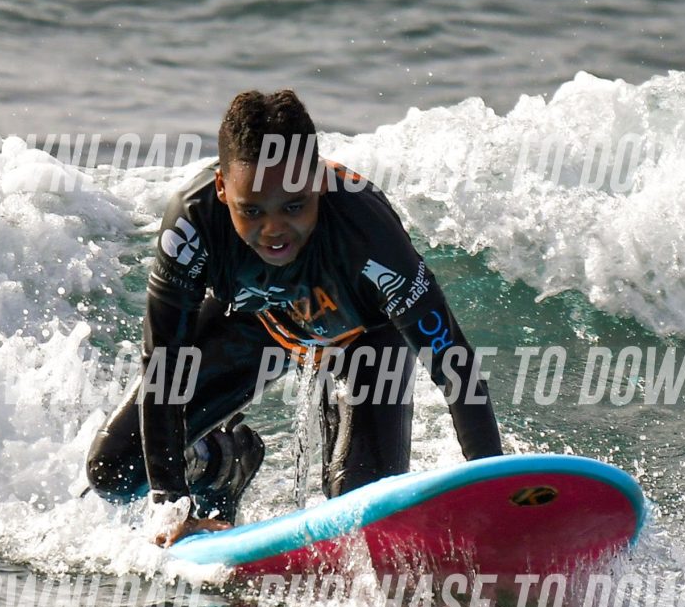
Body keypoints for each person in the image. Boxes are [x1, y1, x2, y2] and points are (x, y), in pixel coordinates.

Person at [88, 90, 503, 544]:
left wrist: (492, 488)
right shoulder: (193, 223)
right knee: (114, 469)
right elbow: (165, 366)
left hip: (362, 339)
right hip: (257, 321)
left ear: (319, 181)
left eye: (293, 206)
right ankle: (222, 465)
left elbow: (453, 364)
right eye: (251, 211)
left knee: (357, 512)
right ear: (222, 188)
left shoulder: (367, 234)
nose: (274, 230)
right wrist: (170, 504)